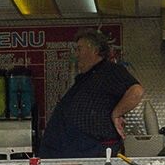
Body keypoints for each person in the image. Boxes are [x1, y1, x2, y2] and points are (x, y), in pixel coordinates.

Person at [39, 30, 144, 158]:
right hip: (71, 151)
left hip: (94, 149)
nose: (76, 55)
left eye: (79, 49)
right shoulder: (86, 77)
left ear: (95, 50)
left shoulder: (109, 70)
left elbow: (136, 91)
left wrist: (116, 113)